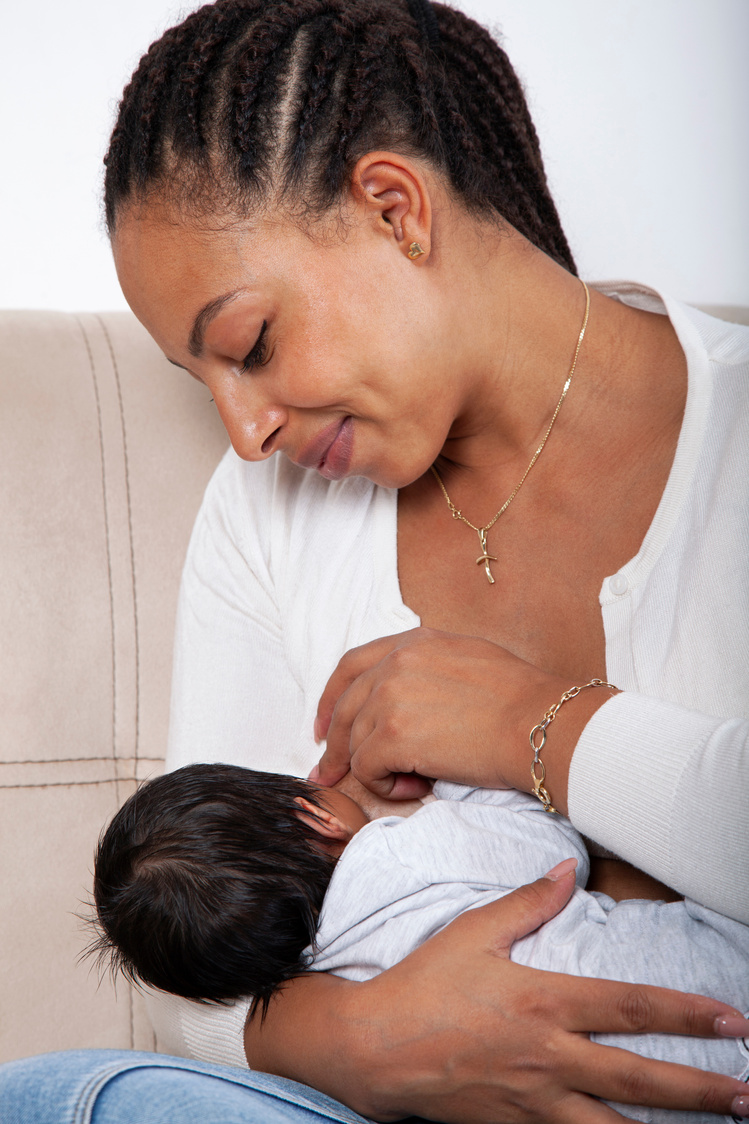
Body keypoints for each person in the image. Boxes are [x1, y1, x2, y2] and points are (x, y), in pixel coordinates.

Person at [1, 0, 747, 1121]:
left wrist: (527, 725)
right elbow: (193, 970)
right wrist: (370, 1039)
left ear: (393, 207)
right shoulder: (267, 513)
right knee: (63, 1095)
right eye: (202, 382)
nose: (242, 429)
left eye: (249, 346)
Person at [88, 760, 749, 1124]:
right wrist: (454, 774)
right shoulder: (399, 855)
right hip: (715, 983)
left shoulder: (338, 981)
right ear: (314, 814)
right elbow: (549, 844)